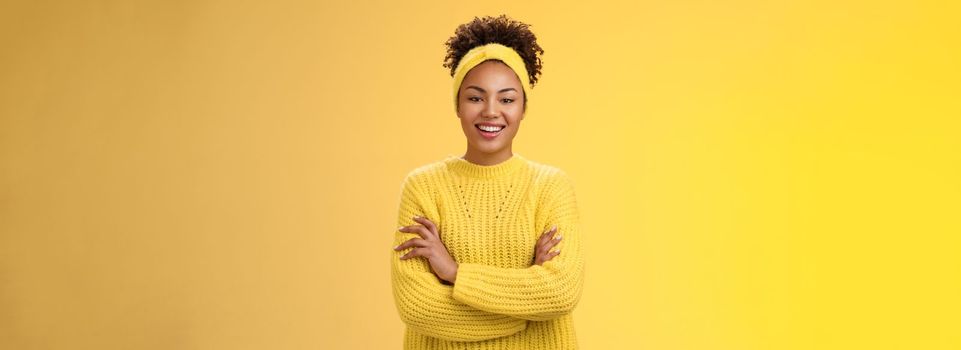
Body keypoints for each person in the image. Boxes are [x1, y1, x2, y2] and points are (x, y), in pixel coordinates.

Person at [390, 14, 585, 349]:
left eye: (507, 99)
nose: (491, 111)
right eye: (476, 97)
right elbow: (418, 307)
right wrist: (525, 308)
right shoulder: (423, 188)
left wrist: (454, 274)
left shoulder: (550, 187)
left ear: (523, 107)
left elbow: (560, 291)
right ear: (458, 105)